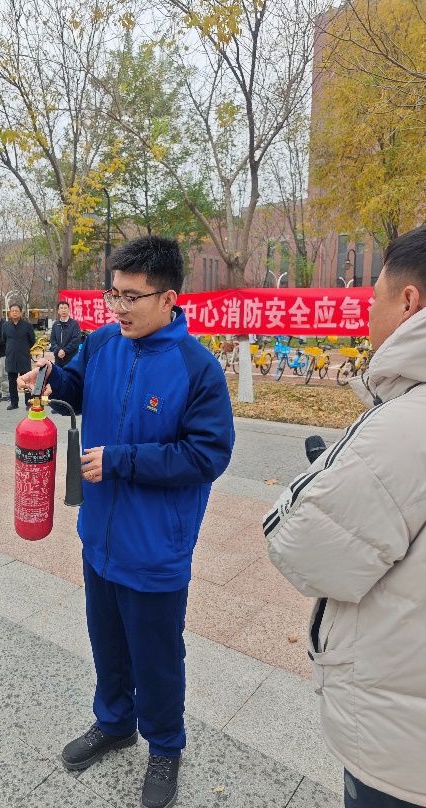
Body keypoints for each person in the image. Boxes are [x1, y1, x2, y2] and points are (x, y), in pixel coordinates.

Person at [19, 235, 234, 808]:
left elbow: (207, 455)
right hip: (100, 536)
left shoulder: (198, 369)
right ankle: (114, 723)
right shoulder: (103, 343)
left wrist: (121, 461)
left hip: (156, 548)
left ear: (168, 299)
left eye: (131, 297)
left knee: (156, 656)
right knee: (107, 642)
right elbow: (77, 387)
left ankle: (165, 746)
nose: (118, 307)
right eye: (112, 294)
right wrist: (49, 380)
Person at [263, 226, 426, 808]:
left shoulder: (405, 425)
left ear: (409, 302)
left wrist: (320, 478)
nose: (367, 312)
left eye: (374, 296)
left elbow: (302, 547)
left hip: (402, 747)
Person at [3, 302, 35, 411]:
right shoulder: (6, 325)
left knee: (26, 382)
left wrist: (23, 348)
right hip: (11, 357)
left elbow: (32, 341)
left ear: (20, 313)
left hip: (23, 357)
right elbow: (4, 339)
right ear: (10, 313)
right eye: (12, 311)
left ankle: (28, 403)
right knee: (12, 382)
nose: (14, 313)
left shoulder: (27, 326)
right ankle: (14, 403)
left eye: (16, 311)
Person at [49, 300, 81, 366]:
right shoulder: (55, 324)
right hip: (58, 358)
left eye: (65, 308)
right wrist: (58, 350)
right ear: (58, 311)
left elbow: (76, 340)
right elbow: (52, 340)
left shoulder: (74, 324)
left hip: (71, 358)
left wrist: (64, 351)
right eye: (61, 308)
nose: (63, 310)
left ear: (69, 310)